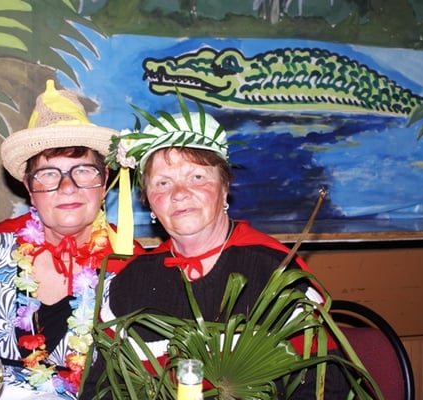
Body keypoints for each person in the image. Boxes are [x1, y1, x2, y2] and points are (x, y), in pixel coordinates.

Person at [82, 100, 349, 399]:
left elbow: (327, 387)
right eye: (163, 183)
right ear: (150, 202)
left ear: (224, 188)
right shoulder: (131, 281)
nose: (179, 194)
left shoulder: (274, 273)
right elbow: (100, 387)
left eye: (197, 177)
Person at [0, 80, 143, 399]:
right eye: (48, 174)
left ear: (104, 183)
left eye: (83, 171)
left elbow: (140, 375)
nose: (67, 187)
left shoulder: (132, 264)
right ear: (30, 190)